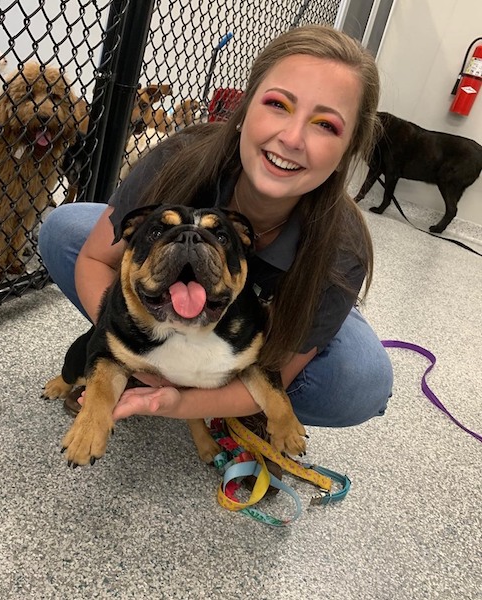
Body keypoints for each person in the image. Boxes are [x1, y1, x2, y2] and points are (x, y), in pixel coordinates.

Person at [39, 24, 393, 432]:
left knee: (359, 378)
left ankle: (246, 404)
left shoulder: (343, 247)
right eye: (278, 104)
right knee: (65, 229)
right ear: (244, 110)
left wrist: (174, 401)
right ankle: (159, 345)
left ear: (349, 149)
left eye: (326, 125)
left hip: (297, 305)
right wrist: (137, 352)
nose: (292, 138)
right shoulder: (180, 157)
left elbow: (284, 366)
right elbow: (96, 257)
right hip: (158, 311)